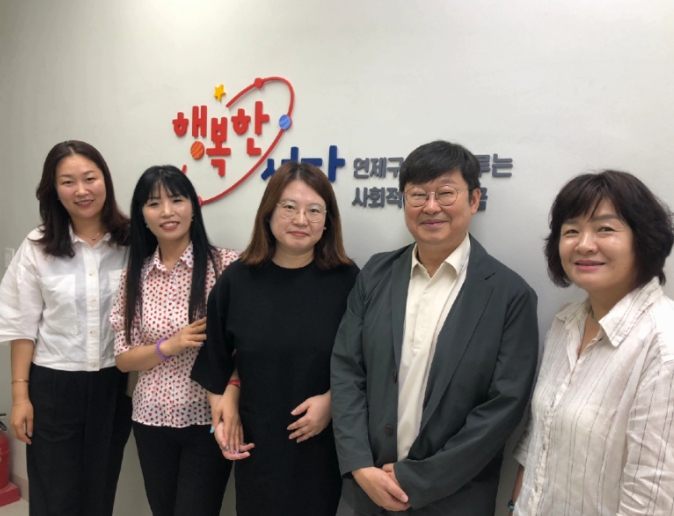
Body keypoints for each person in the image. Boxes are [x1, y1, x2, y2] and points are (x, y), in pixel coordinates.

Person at [331, 140, 539, 516]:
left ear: (474, 200)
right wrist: (359, 464)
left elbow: (504, 407)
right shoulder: (375, 274)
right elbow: (347, 370)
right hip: (367, 491)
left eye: (445, 193)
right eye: (418, 195)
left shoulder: (510, 295)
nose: (430, 207)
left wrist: (417, 480)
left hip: (455, 499)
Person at [191, 161, 359, 516]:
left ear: (328, 221)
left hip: (322, 445)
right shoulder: (236, 280)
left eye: (315, 211)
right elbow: (215, 361)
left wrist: (332, 402)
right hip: (259, 445)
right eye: (289, 207)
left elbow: (366, 361)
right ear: (268, 213)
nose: (301, 220)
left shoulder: (348, 281)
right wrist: (223, 411)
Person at [510, 170, 674, 515]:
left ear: (644, 239)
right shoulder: (565, 321)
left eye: (605, 229)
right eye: (571, 230)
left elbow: (652, 496)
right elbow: (539, 437)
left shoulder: (663, 343)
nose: (584, 244)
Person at [0, 140, 132, 516]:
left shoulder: (133, 242)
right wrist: (20, 397)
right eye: (68, 182)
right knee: (53, 494)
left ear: (105, 181)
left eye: (90, 178)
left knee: (100, 488)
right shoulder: (37, 246)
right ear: (54, 190)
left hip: (112, 383)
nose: (81, 190)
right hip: (54, 385)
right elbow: (21, 325)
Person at [110, 166, 238, 516]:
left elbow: (244, 345)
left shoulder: (226, 266)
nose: (167, 212)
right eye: (154, 204)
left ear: (194, 206)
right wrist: (171, 345)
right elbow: (123, 358)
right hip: (150, 419)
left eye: (177, 200)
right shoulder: (134, 276)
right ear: (142, 215)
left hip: (207, 417)